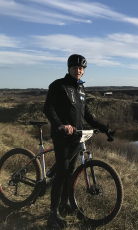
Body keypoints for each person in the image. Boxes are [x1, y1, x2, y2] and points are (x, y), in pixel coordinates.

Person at [43, 54, 109, 229]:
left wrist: (102, 127)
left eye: (81, 68)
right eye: (75, 68)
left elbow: (86, 113)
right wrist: (60, 125)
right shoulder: (59, 85)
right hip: (62, 136)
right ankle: (53, 214)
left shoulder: (80, 89)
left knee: (70, 172)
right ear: (69, 68)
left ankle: (65, 204)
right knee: (62, 171)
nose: (78, 70)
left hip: (76, 137)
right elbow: (48, 108)